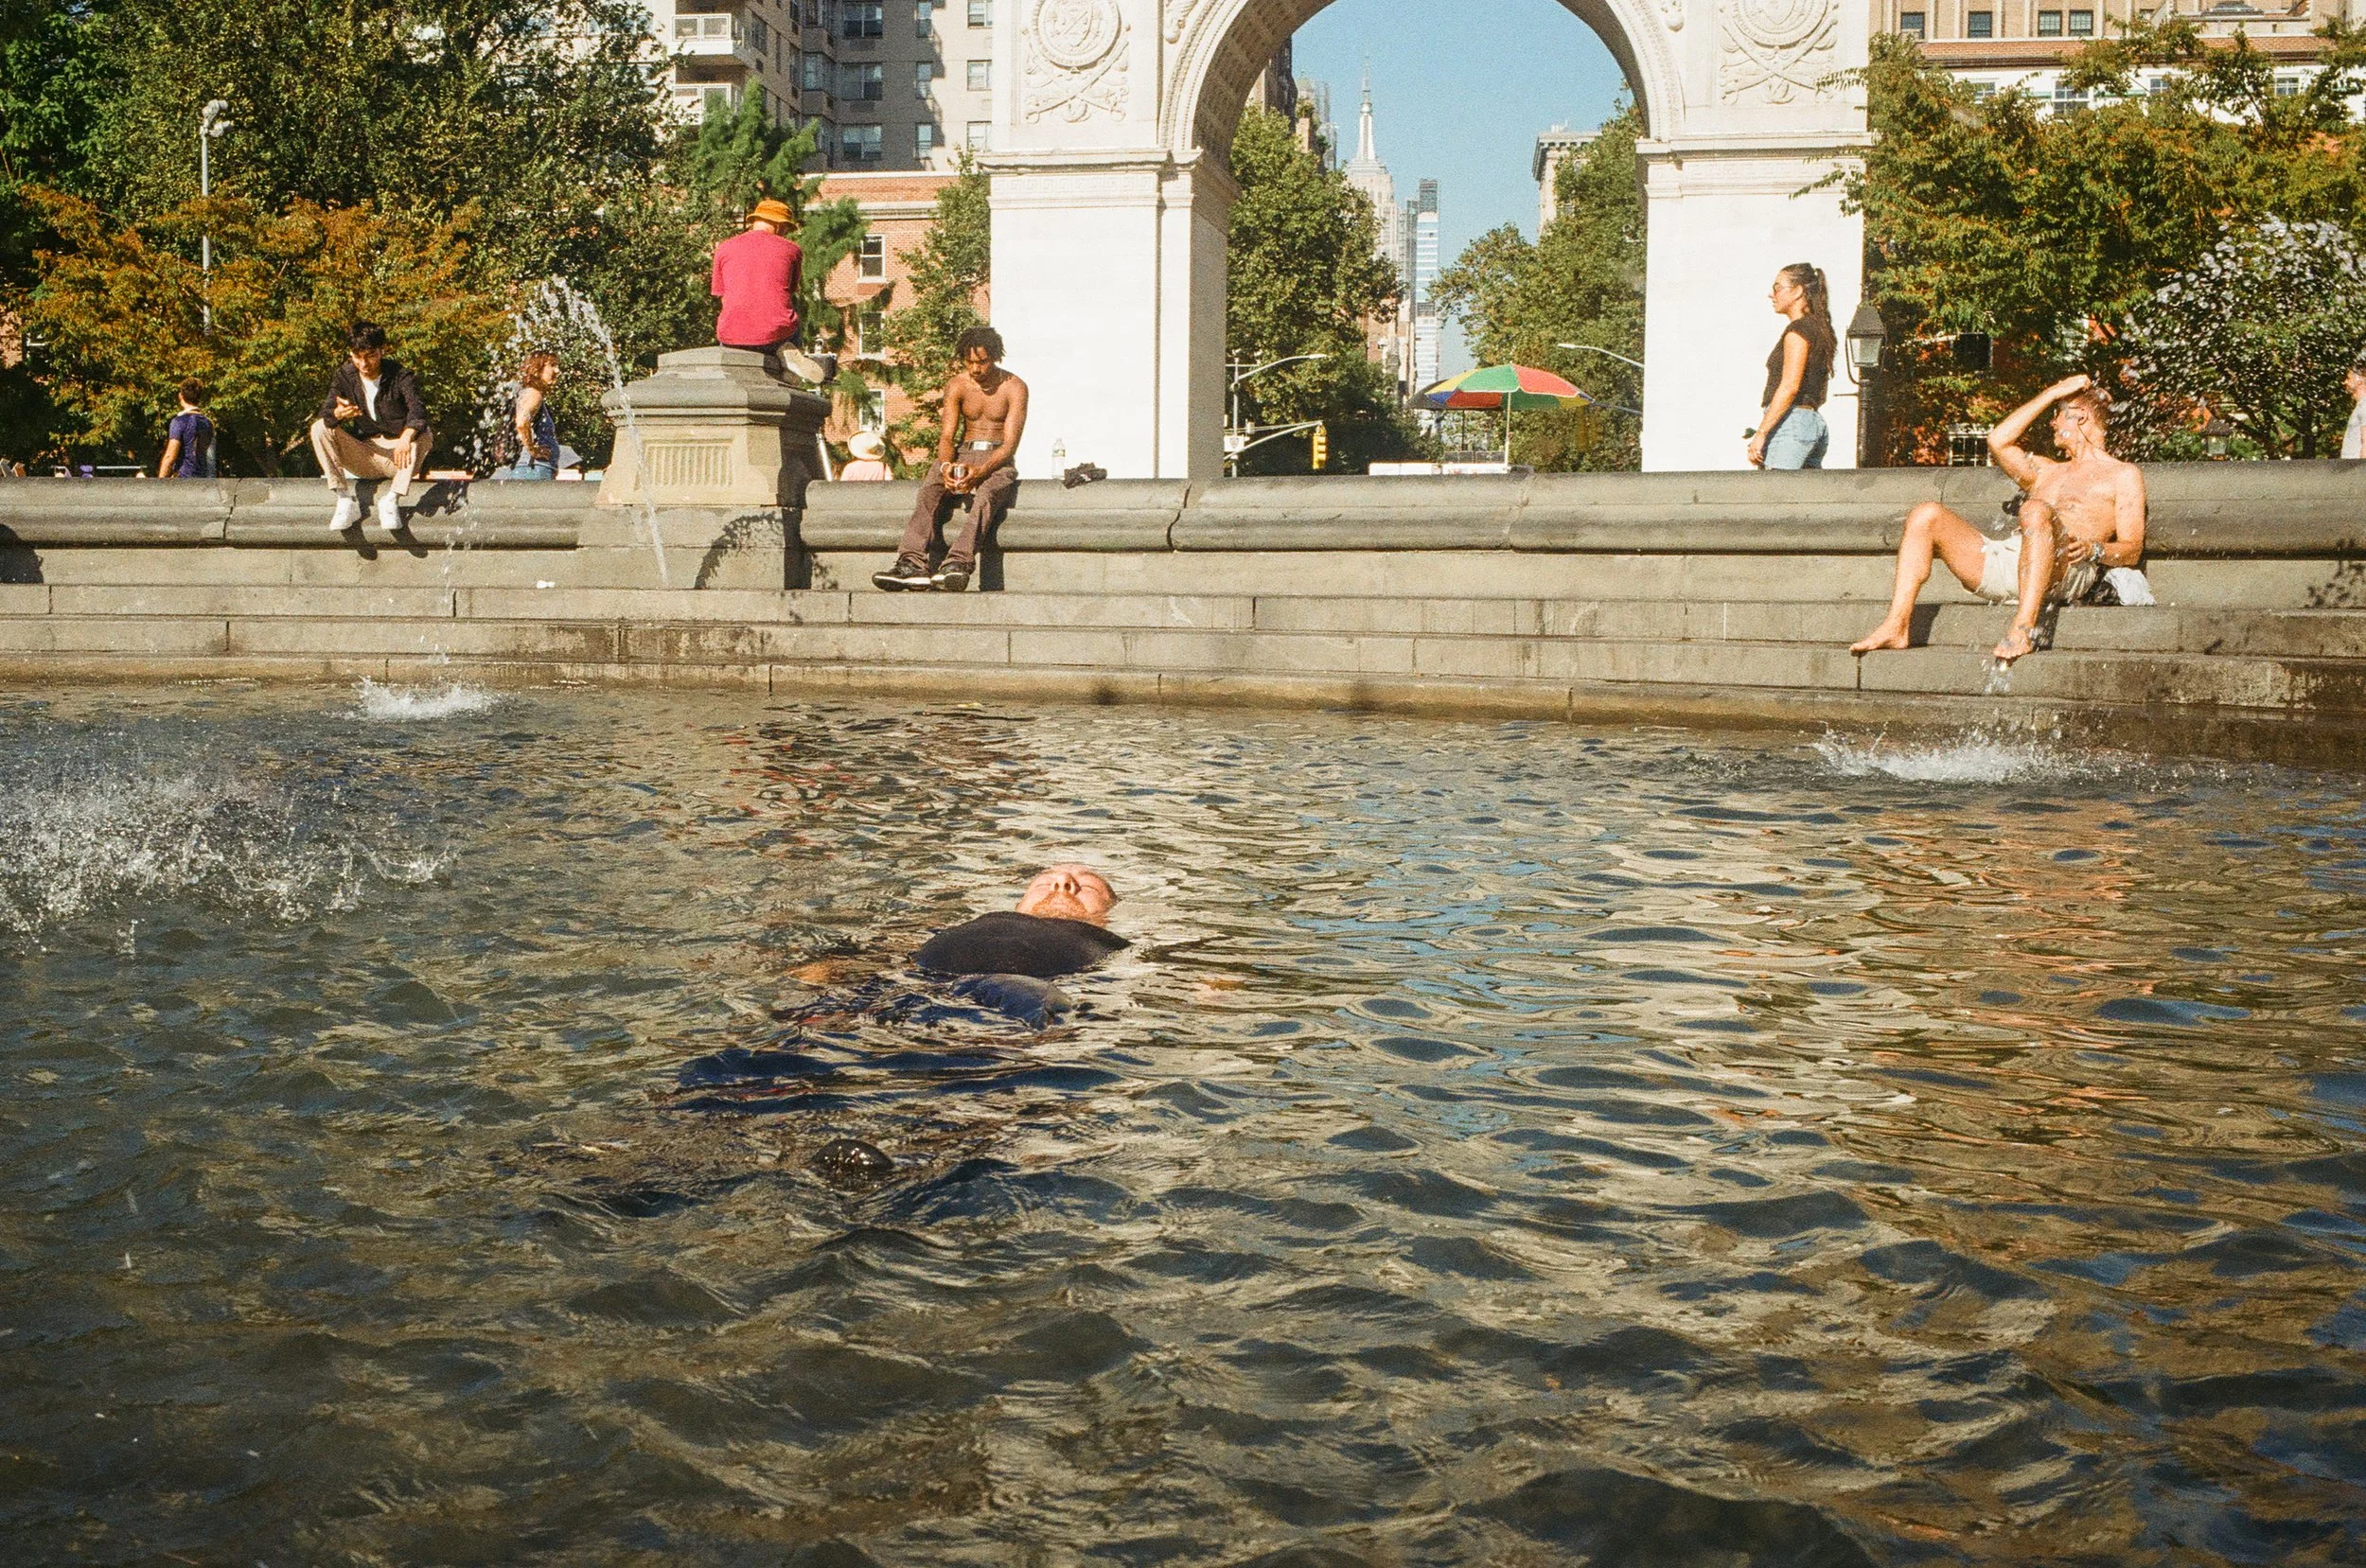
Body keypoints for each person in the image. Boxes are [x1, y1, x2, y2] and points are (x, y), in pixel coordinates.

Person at [1849, 374, 2145, 664]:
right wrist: (2054, 392)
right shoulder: (2044, 471)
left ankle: (2023, 630)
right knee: (1926, 515)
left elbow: (2132, 548)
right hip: (2013, 564)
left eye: (2058, 415)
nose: (2052, 422)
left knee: (2035, 510)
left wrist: (2095, 549)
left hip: (2066, 568)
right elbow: (1998, 440)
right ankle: (1896, 626)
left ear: (2079, 417)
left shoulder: (2122, 475)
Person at [874, 326, 1028, 593]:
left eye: (982, 362)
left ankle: (957, 565)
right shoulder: (957, 385)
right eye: (969, 362)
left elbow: (1009, 446)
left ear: (995, 356)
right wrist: (946, 466)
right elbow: (947, 437)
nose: (975, 369)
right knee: (928, 491)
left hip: (997, 459)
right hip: (962, 452)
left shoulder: (1014, 387)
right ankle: (911, 564)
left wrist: (979, 473)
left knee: (986, 496)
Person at [309, 322, 433, 534]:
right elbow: (327, 413)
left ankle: (392, 499)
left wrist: (406, 436)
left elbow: (418, 411)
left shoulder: (400, 375)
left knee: (424, 435)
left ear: (381, 351)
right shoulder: (344, 376)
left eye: (370, 355)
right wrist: (338, 414)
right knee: (319, 427)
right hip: (364, 454)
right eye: (357, 357)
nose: (364, 363)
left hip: (400, 456)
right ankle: (344, 499)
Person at [712, 196, 837, 387]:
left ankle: (775, 358)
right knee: (789, 318)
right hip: (775, 334)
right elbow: (786, 294)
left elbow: (723, 297)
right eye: (786, 229)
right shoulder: (792, 250)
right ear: (779, 226)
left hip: (731, 336)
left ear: (755, 221)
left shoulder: (724, 248)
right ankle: (787, 359)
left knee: (731, 325)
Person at [1747, 263, 1837, 470]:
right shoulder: (1819, 329)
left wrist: (1761, 433)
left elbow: (1789, 386)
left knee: (1774, 498)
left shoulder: (1798, 330)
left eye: (1777, 287)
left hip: (1792, 423)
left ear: (1797, 291)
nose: (1772, 294)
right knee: (1803, 500)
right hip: (1811, 423)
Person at [500, 351, 561, 481]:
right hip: (533, 467)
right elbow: (522, 423)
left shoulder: (526, 392)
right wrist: (532, 449)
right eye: (552, 365)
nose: (557, 370)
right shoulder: (534, 393)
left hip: (530, 467)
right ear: (537, 369)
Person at [157, 379, 215, 480]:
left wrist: (160, 482)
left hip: (183, 479)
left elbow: (170, 456)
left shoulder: (179, 422)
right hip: (203, 479)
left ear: (180, 396)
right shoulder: (208, 423)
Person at [2343, 349, 2365, 461]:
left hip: (2356, 471)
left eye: (2348, 378)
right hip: (2350, 470)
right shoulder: (2360, 406)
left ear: (2360, 379)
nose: (2345, 382)